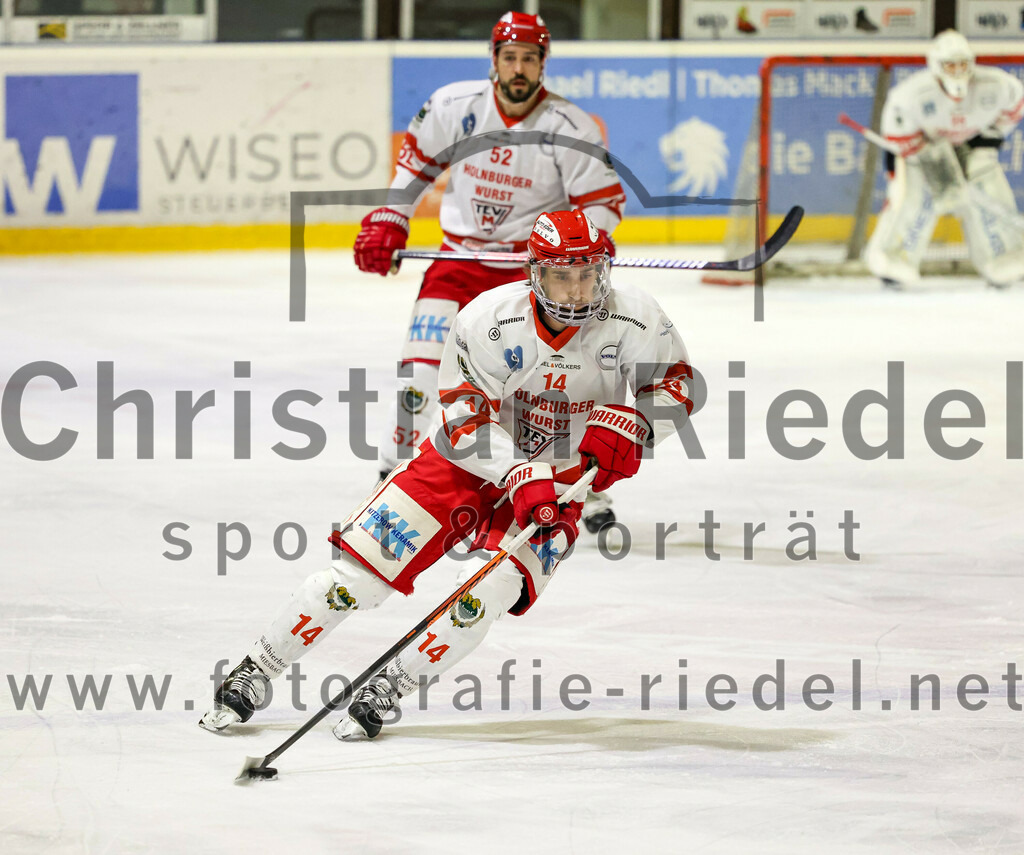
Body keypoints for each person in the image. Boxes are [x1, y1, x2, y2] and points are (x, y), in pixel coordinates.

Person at [200, 209, 692, 739]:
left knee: (481, 596)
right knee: (355, 577)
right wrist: (517, 471)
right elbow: (463, 417)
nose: (576, 291)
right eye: (561, 276)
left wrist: (638, 426)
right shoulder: (487, 319)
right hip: (461, 467)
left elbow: (677, 386)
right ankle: (257, 668)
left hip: (559, 483)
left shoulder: (636, 317)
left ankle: (389, 686)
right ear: (534, 273)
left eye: (588, 274)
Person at [354, 11, 627, 531]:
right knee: (419, 374)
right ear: (494, 59)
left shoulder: (570, 127)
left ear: (543, 63)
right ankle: (390, 477)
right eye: (510, 57)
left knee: (546, 389)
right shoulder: (454, 106)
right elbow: (415, 164)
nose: (519, 69)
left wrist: (590, 238)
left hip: (528, 277)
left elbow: (602, 201)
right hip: (456, 262)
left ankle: (579, 487)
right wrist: (392, 216)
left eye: (529, 59)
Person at [865, 30, 1024, 290]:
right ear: (936, 66)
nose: (958, 71)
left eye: (963, 64)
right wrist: (934, 160)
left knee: (988, 191)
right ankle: (895, 258)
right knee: (919, 199)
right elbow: (897, 139)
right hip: (929, 153)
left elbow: (1015, 108)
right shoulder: (911, 95)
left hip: (974, 149)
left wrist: (987, 140)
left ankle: (1003, 257)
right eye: (950, 65)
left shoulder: (997, 85)